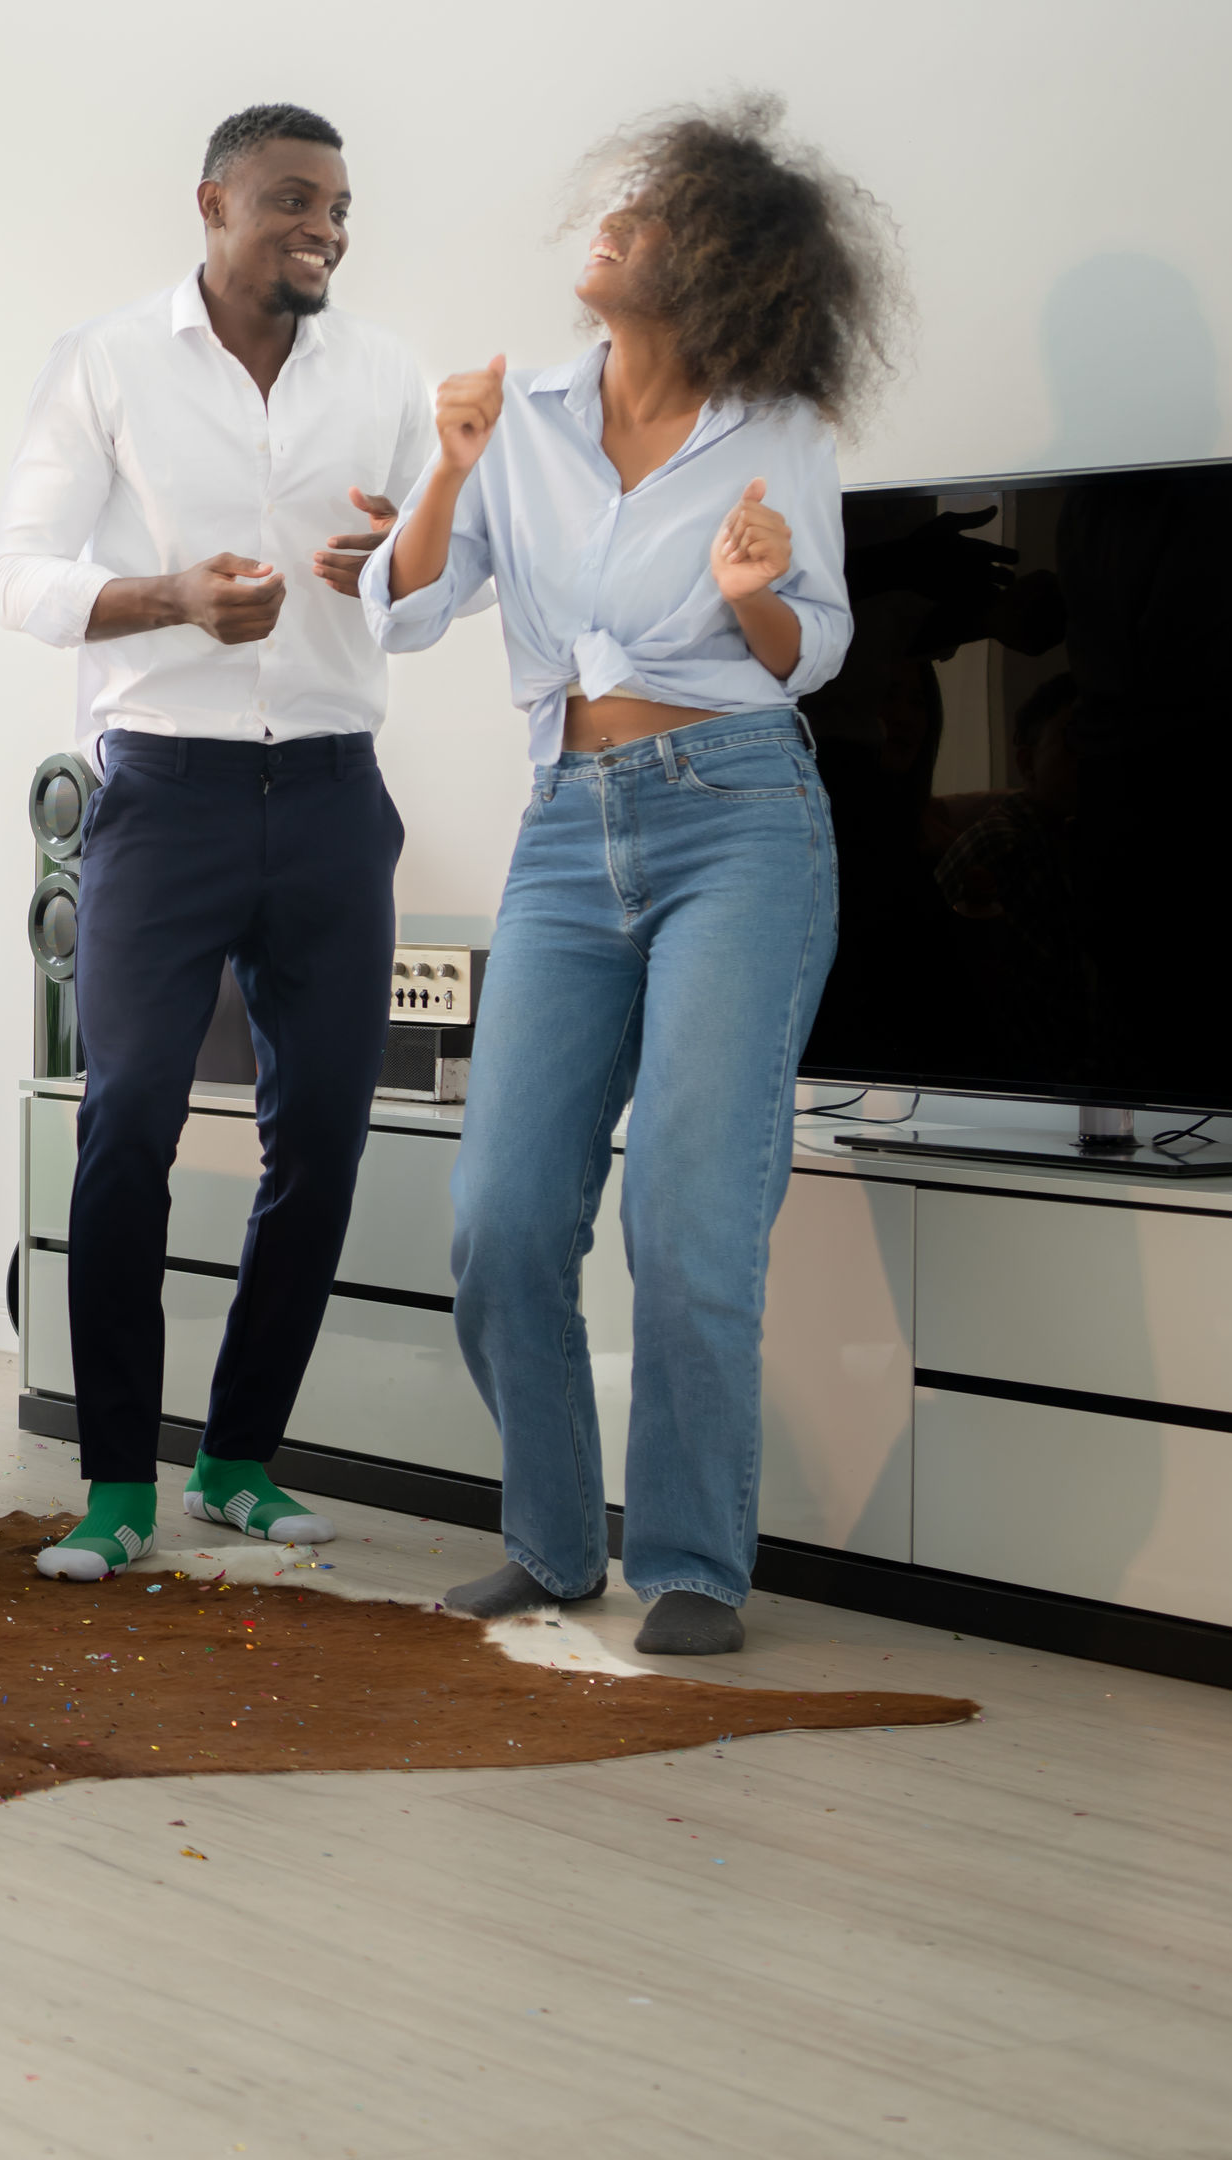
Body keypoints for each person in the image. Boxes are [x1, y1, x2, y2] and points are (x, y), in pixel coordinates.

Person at [362, 96, 893, 1654]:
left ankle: (692, 1563)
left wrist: (753, 600)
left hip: (738, 818)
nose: (614, 224)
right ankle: (548, 1537)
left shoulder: (777, 431)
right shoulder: (509, 411)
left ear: (721, 262)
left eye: (654, 214)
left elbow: (820, 650)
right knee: (506, 1211)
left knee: (687, 1210)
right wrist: (450, 470)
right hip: (563, 829)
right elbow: (402, 612)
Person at [0, 103, 434, 1580]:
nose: (328, 229)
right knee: (127, 1128)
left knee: (323, 1138)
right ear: (215, 204)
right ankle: (117, 1483)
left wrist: (396, 566)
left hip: (328, 790)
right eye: (296, 200)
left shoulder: (386, 375)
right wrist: (172, 596)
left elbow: (443, 580)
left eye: (342, 206)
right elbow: (22, 578)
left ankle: (238, 1460)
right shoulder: (107, 361)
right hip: (161, 797)